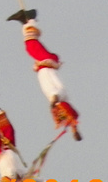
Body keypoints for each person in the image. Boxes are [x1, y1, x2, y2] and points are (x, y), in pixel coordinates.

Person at [8, 9, 81, 140]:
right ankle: (30, 19)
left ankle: (25, 21)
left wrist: (75, 131)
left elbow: (71, 116)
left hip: (47, 64)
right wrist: (54, 103)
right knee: (31, 45)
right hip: (46, 64)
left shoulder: (62, 94)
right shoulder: (57, 94)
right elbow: (57, 98)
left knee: (31, 44)